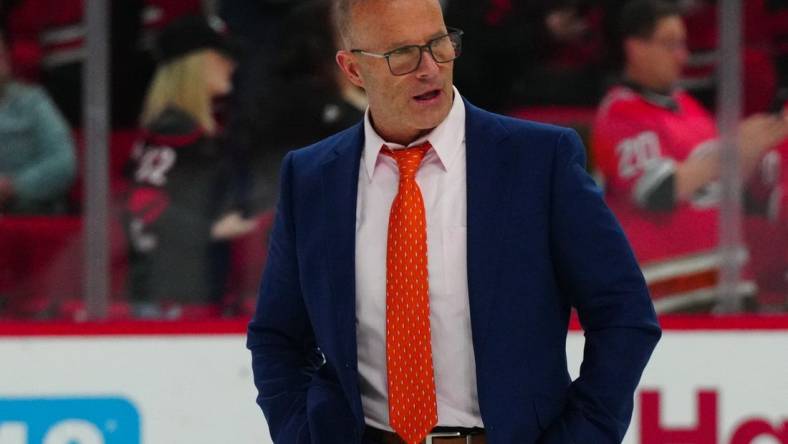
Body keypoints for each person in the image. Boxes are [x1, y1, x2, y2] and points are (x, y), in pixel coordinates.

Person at [247, 0, 661, 443]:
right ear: (352, 69)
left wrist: (581, 437)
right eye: (403, 54)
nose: (430, 68)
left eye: (440, 44)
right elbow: (278, 338)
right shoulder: (311, 178)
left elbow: (624, 314)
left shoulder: (538, 162)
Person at [591, 0, 788, 264]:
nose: (682, 55)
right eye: (670, 44)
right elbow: (656, 192)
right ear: (635, 48)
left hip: (726, 279)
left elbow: (723, 183)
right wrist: (732, 152)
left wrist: (760, 143)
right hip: (668, 287)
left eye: (683, 44)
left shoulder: (688, 105)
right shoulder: (619, 113)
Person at [124, 15, 257, 319]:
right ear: (196, 65)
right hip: (171, 296)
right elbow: (142, 202)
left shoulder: (191, 127)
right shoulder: (175, 128)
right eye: (222, 57)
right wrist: (212, 228)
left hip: (187, 289)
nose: (231, 65)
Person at [0, 29, 76, 215]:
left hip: (28, 210)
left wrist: (12, 186)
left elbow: (64, 163)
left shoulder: (32, 102)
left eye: (2, 53)